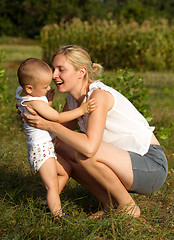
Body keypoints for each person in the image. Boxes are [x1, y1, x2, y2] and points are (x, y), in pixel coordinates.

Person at [22, 46, 168, 218]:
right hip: (124, 162)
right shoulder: (73, 99)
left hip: (150, 165)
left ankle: (128, 207)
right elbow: (56, 139)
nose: (54, 75)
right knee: (61, 146)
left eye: (61, 69)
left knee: (86, 152)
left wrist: (51, 125)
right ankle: (109, 204)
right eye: (54, 68)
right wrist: (31, 115)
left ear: (81, 72)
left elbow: (90, 147)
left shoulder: (98, 96)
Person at [16, 57, 97, 217]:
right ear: (30, 88)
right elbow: (58, 118)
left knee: (64, 171)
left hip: (45, 147)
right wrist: (82, 110)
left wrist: (48, 101)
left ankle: (49, 203)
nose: (47, 89)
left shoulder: (22, 92)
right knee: (52, 185)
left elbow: (41, 110)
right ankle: (58, 215)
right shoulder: (34, 102)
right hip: (42, 150)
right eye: (45, 87)